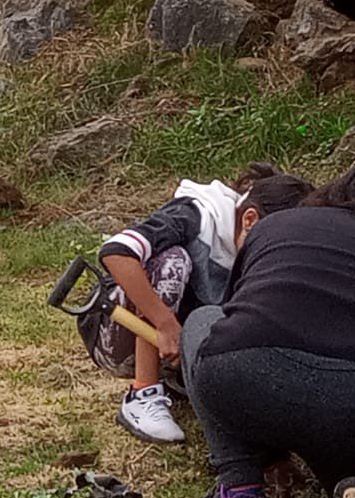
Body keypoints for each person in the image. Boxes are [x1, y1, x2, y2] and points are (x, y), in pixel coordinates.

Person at [184, 164, 355, 498]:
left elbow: (235, 315)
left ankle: (240, 490)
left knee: (205, 320)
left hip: (244, 373)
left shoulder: (276, 225)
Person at [96, 163, 310, 444]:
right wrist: (165, 324)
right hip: (119, 328)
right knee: (172, 261)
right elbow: (116, 252)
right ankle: (142, 393)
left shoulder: (255, 255)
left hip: (182, 345)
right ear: (250, 219)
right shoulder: (195, 214)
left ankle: (184, 380)